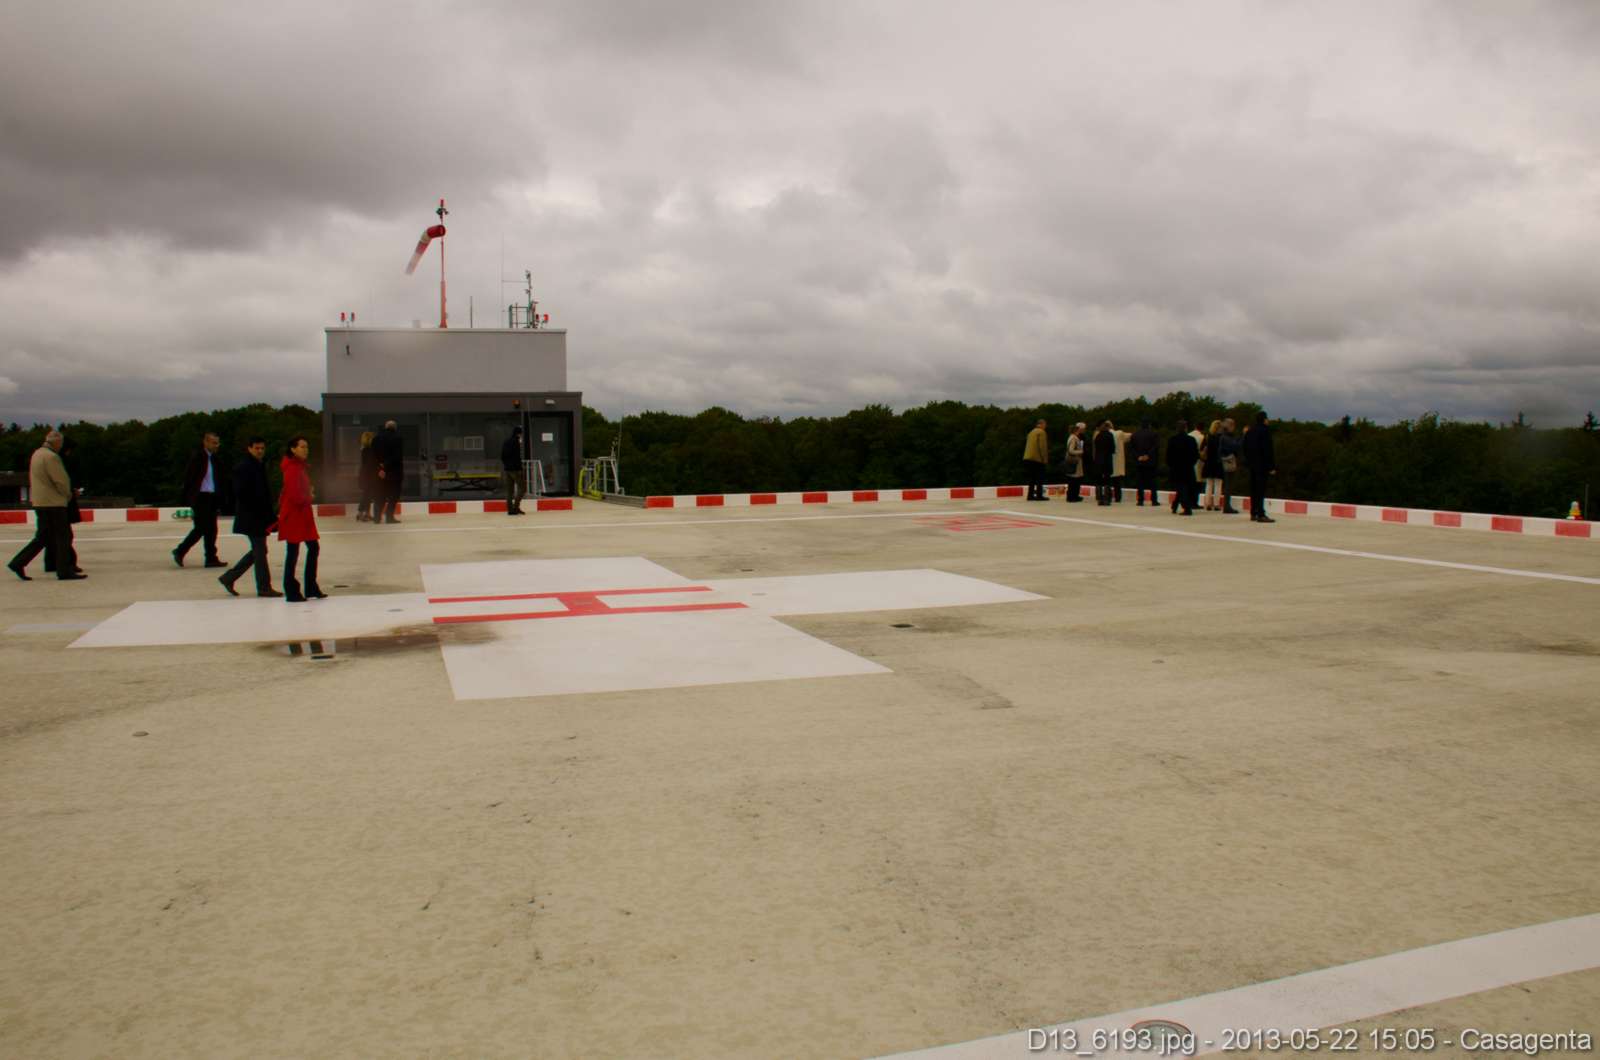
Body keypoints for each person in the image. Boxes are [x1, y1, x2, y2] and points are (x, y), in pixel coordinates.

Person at [8, 430, 85, 581]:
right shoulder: (52, 457)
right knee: (63, 537)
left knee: (43, 537)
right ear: (58, 442)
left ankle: (18, 562)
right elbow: (61, 481)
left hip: (40, 502)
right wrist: (68, 495)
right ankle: (64, 570)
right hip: (54, 503)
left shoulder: (37, 454)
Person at [219, 437, 282, 598]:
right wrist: (262, 513)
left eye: (262, 448)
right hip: (252, 518)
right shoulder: (244, 467)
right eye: (257, 448)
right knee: (260, 552)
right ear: (249, 448)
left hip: (258, 517)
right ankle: (264, 587)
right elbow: (242, 494)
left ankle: (229, 578)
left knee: (259, 551)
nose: (260, 451)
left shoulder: (258, 465)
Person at [278, 435, 326, 602]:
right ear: (293, 449)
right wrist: (309, 496)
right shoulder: (292, 468)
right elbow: (294, 495)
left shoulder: (298, 467)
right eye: (302, 447)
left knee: (307, 548)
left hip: (301, 514)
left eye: (306, 447)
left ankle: (308, 587)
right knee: (295, 551)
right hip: (295, 515)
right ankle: (294, 589)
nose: (306, 450)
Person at [172, 431, 226, 568]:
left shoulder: (215, 459)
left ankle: (211, 558)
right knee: (201, 528)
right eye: (214, 443)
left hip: (212, 497)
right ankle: (180, 550)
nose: (216, 445)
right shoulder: (197, 457)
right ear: (205, 442)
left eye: (217, 443)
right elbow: (189, 477)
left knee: (212, 529)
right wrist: (188, 497)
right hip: (200, 497)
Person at [1242, 411, 1277, 523]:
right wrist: (1271, 466)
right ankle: (1261, 514)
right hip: (1262, 465)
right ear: (1264, 419)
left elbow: (1245, 447)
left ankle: (1253, 512)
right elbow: (1268, 450)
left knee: (1253, 489)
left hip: (1252, 465)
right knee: (1261, 490)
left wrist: (1248, 462)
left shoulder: (1250, 431)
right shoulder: (1265, 431)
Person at [372, 420, 404, 524]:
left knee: (380, 494)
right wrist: (386, 466)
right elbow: (397, 456)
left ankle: (377, 517)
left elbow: (373, 456)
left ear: (385, 427)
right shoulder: (398, 438)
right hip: (394, 472)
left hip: (380, 473)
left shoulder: (376, 438)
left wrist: (380, 468)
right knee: (393, 495)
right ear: (395, 428)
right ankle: (389, 517)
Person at [1165, 420, 1197, 516]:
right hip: (1188, 468)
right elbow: (1195, 455)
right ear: (1186, 428)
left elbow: (1168, 455)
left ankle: (1185, 507)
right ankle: (1179, 506)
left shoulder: (1172, 440)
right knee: (1183, 488)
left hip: (1176, 468)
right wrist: (1191, 463)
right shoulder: (1191, 440)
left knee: (1181, 488)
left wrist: (1171, 465)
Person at [1129, 419, 1160, 506]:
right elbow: (1156, 446)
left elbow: (1132, 448)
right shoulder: (1154, 434)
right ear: (1149, 425)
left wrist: (1138, 456)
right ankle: (1154, 500)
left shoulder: (1135, 435)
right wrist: (1148, 455)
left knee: (1140, 481)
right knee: (1152, 481)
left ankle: (1140, 500)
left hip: (1139, 461)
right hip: (1150, 461)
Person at [1218, 419, 1242, 514]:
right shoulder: (1226, 437)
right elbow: (1235, 446)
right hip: (1228, 461)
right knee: (1228, 485)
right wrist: (1242, 438)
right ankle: (1227, 506)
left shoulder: (1223, 436)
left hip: (1225, 461)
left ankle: (1227, 506)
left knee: (1228, 485)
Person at [501, 426, 527, 515]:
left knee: (509, 491)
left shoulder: (506, 441)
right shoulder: (516, 442)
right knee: (523, 488)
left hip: (507, 469)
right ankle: (516, 507)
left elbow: (502, 456)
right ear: (519, 434)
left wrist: (506, 465)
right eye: (521, 434)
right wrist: (520, 468)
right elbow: (517, 457)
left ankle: (510, 510)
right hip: (515, 469)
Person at [1201, 419, 1226, 511]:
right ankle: (1216, 504)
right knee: (1218, 484)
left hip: (1209, 462)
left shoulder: (1207, 437)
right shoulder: (1222, 438)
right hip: (1218, 463)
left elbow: (1202, 449)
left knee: (1209, 484)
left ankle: (1207, 503)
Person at [355, 431, 380, 522]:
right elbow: (370, 464)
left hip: (365, 474)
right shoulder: (369, 450)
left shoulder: (364, 449)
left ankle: (365, 514)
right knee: (366, 495)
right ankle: (361, 513)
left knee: (367, 494)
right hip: (369, 475)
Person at [1022, 419, 1049, 501]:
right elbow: (1042, 447)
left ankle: (1030, 496)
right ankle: (1039, 496)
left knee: (1032, 478)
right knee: (1040, 478)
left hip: (1027, 458)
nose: (1045, 426)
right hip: (1037, 458)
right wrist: (1044, 459)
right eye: (1045, 424)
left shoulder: (1031, 432)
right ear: (1041, 424)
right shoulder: (1041, 432)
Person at [1091, 420, 1116, 506]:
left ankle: (1099, 499)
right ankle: (1107, 499)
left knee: (1099, 480)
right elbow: (1113, 448)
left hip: (1098, 460)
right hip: (1107, 459)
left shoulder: (1097, 436)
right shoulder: (1109, 435)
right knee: (1107, 480)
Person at [1063, 423, 1085, 502]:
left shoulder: (1070, 437)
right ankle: (1073, 496)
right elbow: (1071, 450)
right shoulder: (1074, 438)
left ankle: (1072, 496)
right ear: (1076, 431)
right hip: (1075, 461)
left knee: (1072, 479)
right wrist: (1080, 451)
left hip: (1071, 461)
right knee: (1075, 480)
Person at [1110, 422, 1129, 502]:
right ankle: (1118, 498)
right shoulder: (1119, 433)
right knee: (1117, 482)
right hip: (1117, 463)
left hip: (1106, 462)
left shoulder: (1101, 435)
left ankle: (1106, 496)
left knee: (1106, 482)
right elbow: (1129, 436)